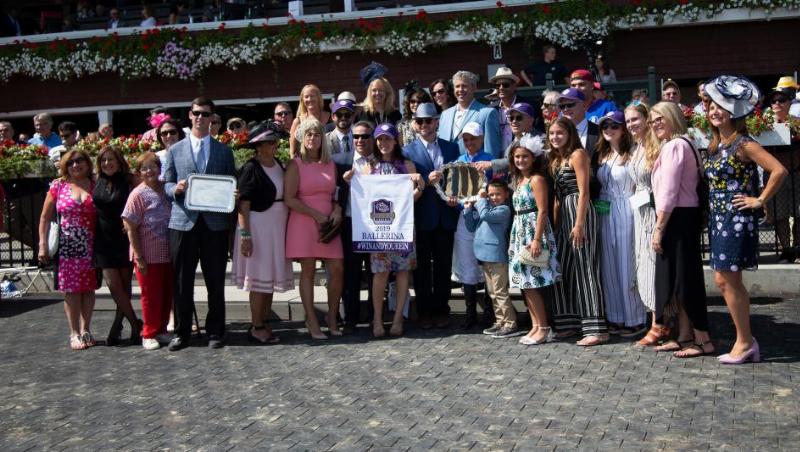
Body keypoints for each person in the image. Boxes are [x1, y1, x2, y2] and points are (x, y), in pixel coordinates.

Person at [703, 76, 788, 363]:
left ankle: (744, 341)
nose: (714, 111)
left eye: (721, 107)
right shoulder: (717, 145)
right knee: (723, 279)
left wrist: (760, 199)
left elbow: (779, 170)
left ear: (734, 112)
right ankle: (745, 340)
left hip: (737, 218)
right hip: (719, 218)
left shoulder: (743, 144)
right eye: (711, 107)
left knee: (728, 279)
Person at [163, 97, 236, 351]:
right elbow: (166, 184)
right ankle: (182, 333)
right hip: (183, 222)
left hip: (214, 225)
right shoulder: (174, 150)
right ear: (189, 115)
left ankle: (216, 331)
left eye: (206, 115)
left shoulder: (224, 151)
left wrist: (232, 195)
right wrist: (176, 189)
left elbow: (230, 183)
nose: (200, 118)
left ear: (212, 119)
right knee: (182, 281)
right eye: (196, 113)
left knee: (215, 280)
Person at [649, 101, 712, 358]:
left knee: (685, 280)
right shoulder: (683, 144)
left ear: (673, 117)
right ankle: (684, 335)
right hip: (683, 217)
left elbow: (669, 191)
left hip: (678, 218)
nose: (655, 124)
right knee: (679, 280)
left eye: (660, 118)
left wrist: (659, 227)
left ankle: (702, 339)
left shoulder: (676, 145)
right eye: (653, 120)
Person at [548, 117, 608, 346]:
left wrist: (580, 223)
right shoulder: (556, 159)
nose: (555, 137)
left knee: (585, 269)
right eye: (552, 134)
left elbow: (584, 192)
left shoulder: (578, 155)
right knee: (563, 268)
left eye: (559, 133)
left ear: (570, 133)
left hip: (579, 212)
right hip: (563, 215)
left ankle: (597, 328)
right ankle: (568, 322)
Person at [232, 122, 294, 344]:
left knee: (268, 280)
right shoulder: (251, 167)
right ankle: (256, 325)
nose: (273, 145)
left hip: (276, 228)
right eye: (268, 142)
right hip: (258, 227)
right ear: (258, 146)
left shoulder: (278, 163)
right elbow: (244, 205)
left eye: (275, 141)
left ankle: (264, 322)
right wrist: (245, 235)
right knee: (259, 281)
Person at [284, 119, 344, 339]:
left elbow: (335, 194)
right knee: (308, 271)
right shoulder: (295, 164)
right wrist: (316, 215)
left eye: (317, 134)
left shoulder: (330, 164)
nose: (312, 138)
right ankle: (311, 319)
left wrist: (336, 209)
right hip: (304, 221)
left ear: (322, 139)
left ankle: (332, 316)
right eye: (308, 134)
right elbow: (289, 199)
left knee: (337, 269)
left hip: (328, 223)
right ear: (302, 138)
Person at [403, 103, 460, 329]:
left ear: (437, 122)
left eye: (429, 120)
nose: (424, 125)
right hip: (422, 215)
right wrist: (426, 180)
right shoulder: (407, 151)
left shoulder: (452, 148)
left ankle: (442, 309)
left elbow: (459, 179)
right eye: (420, 121)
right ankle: (424, 311)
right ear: (414, 124)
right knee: (423, 268)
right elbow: (406, 184)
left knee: (444, 266)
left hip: (446, 214)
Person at [362, 123, 422, 337]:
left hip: (403, 227)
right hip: (379, 230)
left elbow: (413, 197)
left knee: (403, 271)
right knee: (380, 273)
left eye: (387, 139)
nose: (383, 143)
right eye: (380, 139)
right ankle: (377, 320)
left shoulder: (407, 164)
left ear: (395, 140)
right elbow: (365, 196)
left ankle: (398, 319)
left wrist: (420, 186)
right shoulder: (370, 166)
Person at [38, 149, 98, 350]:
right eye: (71, 162)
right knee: (72, 291)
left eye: (80, 160)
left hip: (91, 245)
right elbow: (45, 218)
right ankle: (74, 332)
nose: (75, 165)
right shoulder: (58, 186)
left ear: (87, 163)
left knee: (89, 289)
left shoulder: (96, 184)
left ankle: (86, 328)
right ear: (65, 165)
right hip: (67, 246)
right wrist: (42, 244)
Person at [595, 111, 646, 336]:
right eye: (605, 125)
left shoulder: (633, 152)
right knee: (609, 266)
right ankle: (615, 316)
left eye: (614, 125)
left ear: (623, 128)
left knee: (627, 263)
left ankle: (635, 318)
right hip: (605, 210)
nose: (609, 129)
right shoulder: (602, 155)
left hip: (626, 209)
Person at [507, 135, 560, 344]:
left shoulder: (537, 179)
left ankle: (545, 327)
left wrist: (537, 239)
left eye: (524, 156)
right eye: (517, 157)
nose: (520, 160)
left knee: (532, 281)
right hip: (519, 231)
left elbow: (543, 210)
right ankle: (535, 325)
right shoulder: (520, 180)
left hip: (532, 233)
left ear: (533, 157)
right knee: (524, 283)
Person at [625, 103, 669, 347]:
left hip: (653, 210)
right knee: (643, 264)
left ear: (646, 119)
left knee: (654, 266)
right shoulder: (636, 147)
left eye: (636, 119)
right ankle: (656, 318)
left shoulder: (657, 146)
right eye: (628, 121)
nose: (632, 124)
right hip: (638, 213)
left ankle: (659, 322)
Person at [121, 153, 173, 350]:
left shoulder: (165, 189)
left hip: (167, 252)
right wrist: (139, 256)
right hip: (147, 255)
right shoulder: (138, 194)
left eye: (153, 166)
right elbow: (130, 226)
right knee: (151, 295)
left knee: (166, 293)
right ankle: (149, 332)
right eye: (144, 168)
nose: (149, 171)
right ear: (139, 172)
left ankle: (161, 329)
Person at [94, 146, 141, 346]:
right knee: (113, 285)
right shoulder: (96, 180)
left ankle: (117, 325)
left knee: (124, 285)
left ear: (119, 161)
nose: (107, 164)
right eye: (103, 160)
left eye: (111, 159)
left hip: (124, 238)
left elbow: (145, 196)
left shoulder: (130, 180)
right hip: (103, 239)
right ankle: (135, 324)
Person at [334, 121, 377, 334]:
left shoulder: (382, 161)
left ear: (373, 138)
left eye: (365, 136)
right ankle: (349, 318)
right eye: (356, 136)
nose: (360, 140)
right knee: (350, 274)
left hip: (376, 225)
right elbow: (330, 192)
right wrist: (343, 184)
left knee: (374, 272)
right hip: (350, 224)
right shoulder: (340, 161)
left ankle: (373, 316)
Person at [464, 179, 519, 338]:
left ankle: (510, 322)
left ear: (506, 194)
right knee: (492, 292)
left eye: (497, 194)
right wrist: (468, 210)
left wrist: (481, 200)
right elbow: (471, 226)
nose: (494, 197)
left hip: (497, 256)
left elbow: (486, 215)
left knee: (500, 291)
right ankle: (500, 321)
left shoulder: (504, 210)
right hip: (484, 255)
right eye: (491, 195)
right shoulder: (486, 208)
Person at [452, 122, 493, 329]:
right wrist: (459, 201)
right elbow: (454, 190)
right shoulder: (459, 161)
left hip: (486, 218)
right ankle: (470, 314)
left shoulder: (489, 160)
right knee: (467, 262)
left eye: (473, 139)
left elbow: (497, 190)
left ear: (481, 138)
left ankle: (489, 312)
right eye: (466, 139)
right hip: (466, 217)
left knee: (487, 262)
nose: (469, 143)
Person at [766, 77, 800, 263]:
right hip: (774, 175)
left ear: (789, 102)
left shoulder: (796, 122)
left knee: (799, 213)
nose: (777, 103)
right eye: (774, 100)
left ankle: (798, 248)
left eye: (781, 100)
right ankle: (786, 250)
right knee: (779, 215)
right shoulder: (763, 125)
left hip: (796, 173)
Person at [438, 70, 502, 158]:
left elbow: (492, 150)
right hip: (447, 168)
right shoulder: (445, 115)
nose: (460, 90)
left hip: (474, 168)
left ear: (474, 88)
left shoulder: (487, 113)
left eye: (464, 86)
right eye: (457, 86)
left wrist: (488, 169)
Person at [474, 102, 538, 179]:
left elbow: (519, 162)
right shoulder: (516, 139)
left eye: (519, 118)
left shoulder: (537, 140)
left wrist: (491, 164)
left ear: (531, 121)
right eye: (511, 118)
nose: (514, 121)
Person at [488, 67, 535, 151]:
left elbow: (536, 131)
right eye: (498, 85)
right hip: (496, 156)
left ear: (514, 86)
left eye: (505, 85)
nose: (501, 88)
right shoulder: (490, 109)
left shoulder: (529, 105)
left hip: (520, 155)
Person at [557, 88, 600, 158]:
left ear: (583, 105)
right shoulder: (557, 132)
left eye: (570, 105)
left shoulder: (598, 131)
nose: (565, 109)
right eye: (562, 106)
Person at [289, 84, 330, 157]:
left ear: (318, 98)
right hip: (305, 164)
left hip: (327, 160)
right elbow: (292, 152)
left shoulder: (330, 118)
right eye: (306, 97)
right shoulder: (298, 121)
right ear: (302, 100)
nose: (309, 99)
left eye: (312, 96)